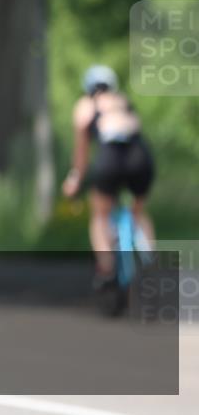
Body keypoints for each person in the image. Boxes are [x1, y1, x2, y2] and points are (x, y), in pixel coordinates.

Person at [62, 65, 156, 290]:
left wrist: (75, 178)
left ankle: (107, 269)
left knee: (100, 216)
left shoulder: (86, 105)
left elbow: (82, 152)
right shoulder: (123, 101)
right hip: (141, 159)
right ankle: (150, 261)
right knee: (138, 212)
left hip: (110, 160)